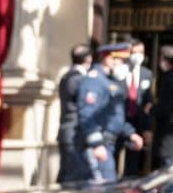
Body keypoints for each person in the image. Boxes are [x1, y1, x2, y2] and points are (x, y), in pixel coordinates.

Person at [76, 42, 143, 183]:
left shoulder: (109, 81)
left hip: (109, 144)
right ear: (108, 58)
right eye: (122, 60)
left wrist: (130, 133)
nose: (125, 65)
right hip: (99, 145)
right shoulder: (94, 80)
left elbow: (113, 115)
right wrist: (96, 144)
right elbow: (87, 114)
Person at [56, 43, 92, 184]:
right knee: (72, 179)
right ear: (88, 59)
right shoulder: (78, 79)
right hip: (74, 134)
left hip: (67, 132)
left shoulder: (66, 76)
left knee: (66, 174)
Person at [121, 39, 155, 178]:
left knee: (133, 163)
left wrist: (147, 128)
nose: (138, 55)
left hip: (137, 122)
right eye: (135, 52)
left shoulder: (147, 74)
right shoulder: (119, 71)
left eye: (141, 52)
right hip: (119, 120)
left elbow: (148, 102)